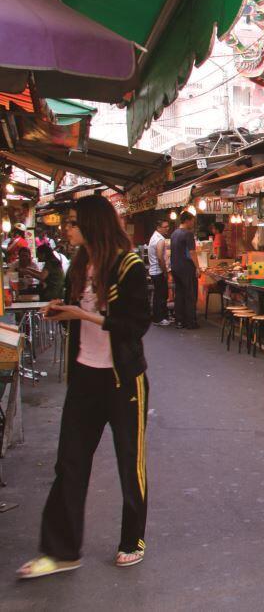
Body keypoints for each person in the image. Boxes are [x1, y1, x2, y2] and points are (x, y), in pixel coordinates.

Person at [17, 195, 151, 579]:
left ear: (93, 224)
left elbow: (137, 325)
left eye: (73, 222)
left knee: (129, 463)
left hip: (122, 379)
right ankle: (61, 551)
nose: (67, 228)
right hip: (84, 377)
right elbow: (79, 317)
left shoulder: (128, 266)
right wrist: (64, 312)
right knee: (70, 462)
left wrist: (86, 315)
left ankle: (132, 540)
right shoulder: (79, 264)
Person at [170, 212, 200, 330]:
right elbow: (192, 252)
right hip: (186, 268)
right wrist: (197, 267)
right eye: (192, 221)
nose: (193, 223)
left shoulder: (174, 234)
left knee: (179, 294)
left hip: (175, 267)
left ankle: (179, 321)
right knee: (190, 295)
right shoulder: (188, 234)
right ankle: (190, 322)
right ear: (187, 220)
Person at [148, 219, 173, 326]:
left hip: (154, 271)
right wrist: (165, 271)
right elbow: (159, 257)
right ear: (158, 228)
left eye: (168, 226)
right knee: (161, 296)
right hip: (158, 271)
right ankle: (159, 318)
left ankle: (159, 317)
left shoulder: (154, 237)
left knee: (158, 295)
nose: (167, 228)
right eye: (165, 227)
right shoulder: (160, 240)